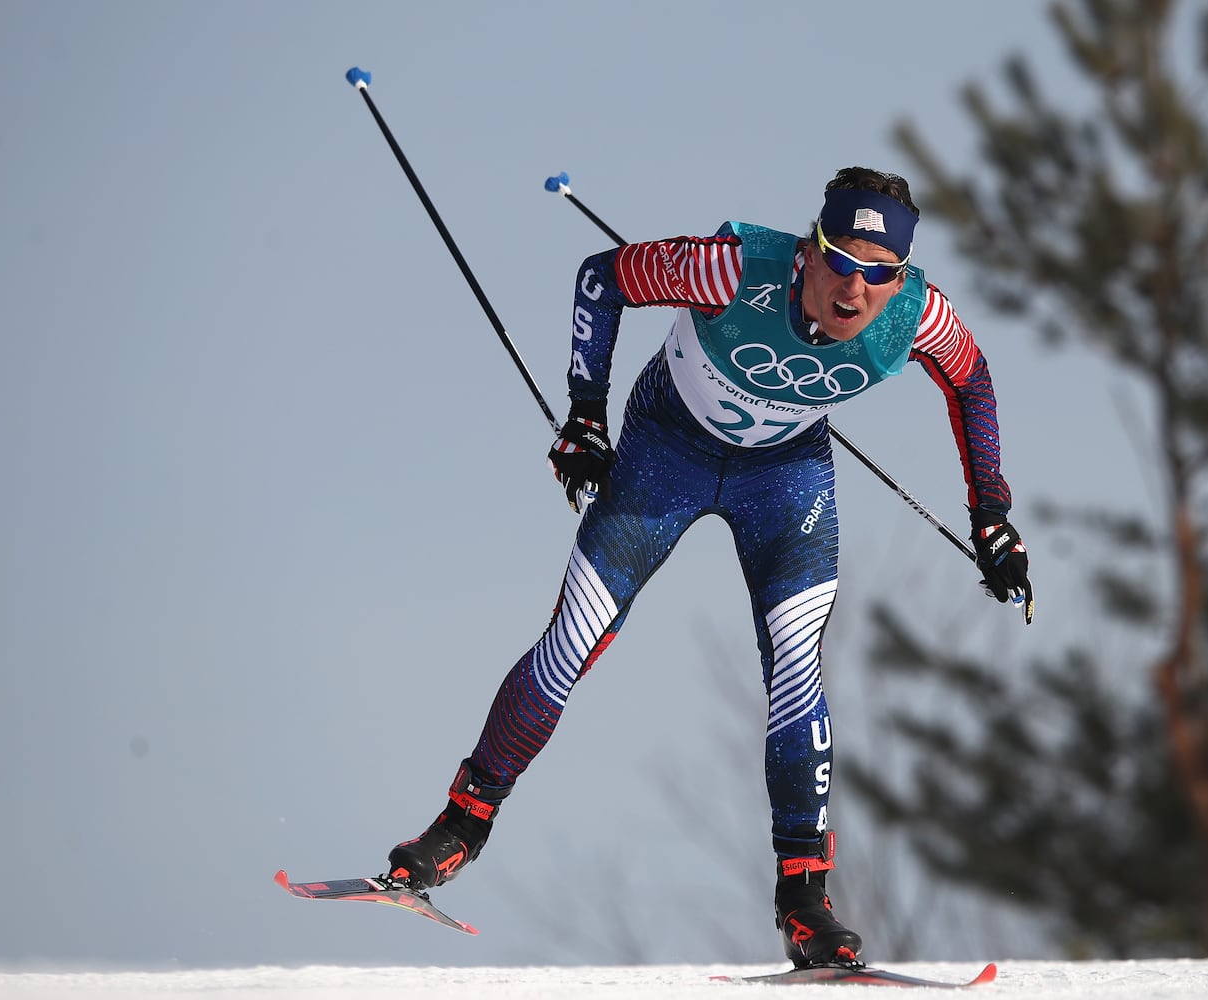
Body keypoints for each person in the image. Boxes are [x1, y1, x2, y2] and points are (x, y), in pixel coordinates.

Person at [386, 167, 1032, 967]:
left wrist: (991, 518)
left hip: (784, 479)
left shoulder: (916, 315)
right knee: (571, 643)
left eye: (879, 272)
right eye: (839, 259)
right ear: (807, 251)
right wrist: (586, 415)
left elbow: (971, 382)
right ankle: (459, 827)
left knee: (796, 670)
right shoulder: (729, 269)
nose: (855, 287)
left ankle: (804, 900)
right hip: (666, 455)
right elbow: (603, 278)